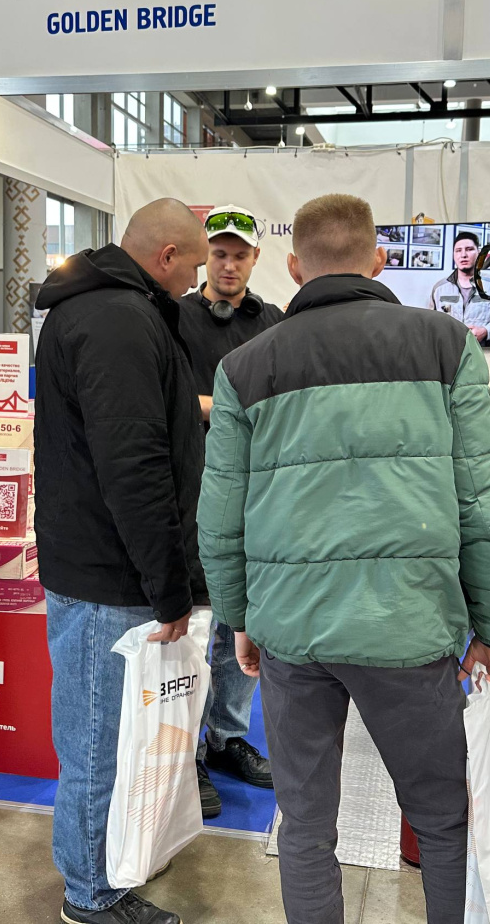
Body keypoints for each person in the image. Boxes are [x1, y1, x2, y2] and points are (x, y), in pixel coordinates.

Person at [200, 194, 490, 924]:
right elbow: (482, 501)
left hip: (292, 631)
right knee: (442, 819)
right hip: (409, 624)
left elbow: (219, 516)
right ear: (379, 261)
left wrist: (238, 616)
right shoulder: (446, 345)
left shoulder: (245, 367)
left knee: (305, 826)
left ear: (293, 267)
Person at [34, 197, 210, 924]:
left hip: (106, 565)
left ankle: (108, 862)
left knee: (111, 737)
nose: (196, 280)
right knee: (98, 744)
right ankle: (90, 893)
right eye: (193, 265)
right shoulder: (116, 318)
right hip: (108, 575)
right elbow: (133, 467)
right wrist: (170, 589)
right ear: (165, 256)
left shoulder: (116, 309)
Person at [175, 205, 283, 819]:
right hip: (194, 489)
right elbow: (167, 399)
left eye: (240, 254)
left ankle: (226, 737)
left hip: (257, 490)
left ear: (255, 259)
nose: (229, 265)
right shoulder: (176, 318)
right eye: (219, 254)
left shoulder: (272, 321)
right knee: (200, 622)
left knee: (244, 615)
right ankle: (188, 748)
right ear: (205, 257)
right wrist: (229, 408)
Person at [427, 231, 490, 345]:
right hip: (449, 350)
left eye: (469, 249)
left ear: (478, 253)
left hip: (482, 351)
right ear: (453, 255)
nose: (463, 255)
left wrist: (486, 331)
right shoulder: (439, 288)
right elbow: (430, 322)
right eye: (458, 250)